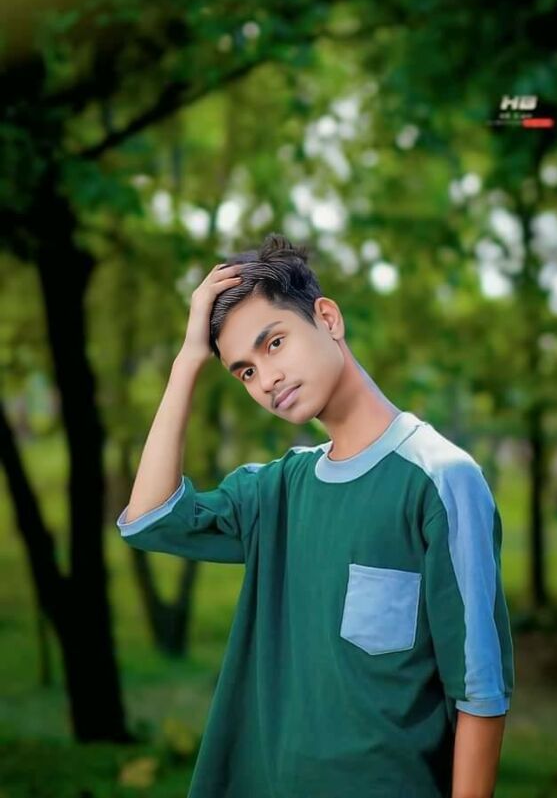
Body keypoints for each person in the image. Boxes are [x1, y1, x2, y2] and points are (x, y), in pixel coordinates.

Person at [116, 232, 515, 798]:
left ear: (328, 318)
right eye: (245, 371)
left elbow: (479, 691)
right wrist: (188, 360)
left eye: (274, 344)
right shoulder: (279, 488)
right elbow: (151, 519)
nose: (266, 380)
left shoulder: (440, 478)